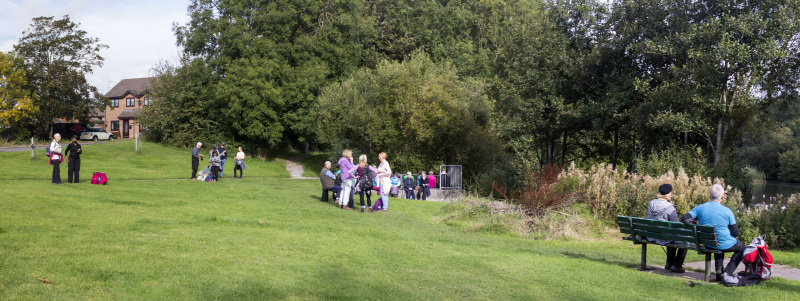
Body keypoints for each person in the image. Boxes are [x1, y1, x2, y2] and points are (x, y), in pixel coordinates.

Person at [682, 184, 746, 281]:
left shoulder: (700, 208)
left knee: (717, 241)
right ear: (722, 197)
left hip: (707, 243)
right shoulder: (727, 211)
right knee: (741, 248)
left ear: (710, 195)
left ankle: (719, 271)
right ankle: (727, 273)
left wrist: (694, 223)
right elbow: (735, 232)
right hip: (721, 242)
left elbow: (685, 218)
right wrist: (731, 236)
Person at [647, 184, 687, 273]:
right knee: (684, 239)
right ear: (669, 194)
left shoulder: (651, 203)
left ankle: (669, 263)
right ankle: (676, 265)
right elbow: (676, 226)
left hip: (651, 234)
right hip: (664, 236)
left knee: (671, 235)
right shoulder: (670, 207)